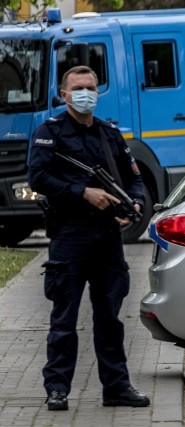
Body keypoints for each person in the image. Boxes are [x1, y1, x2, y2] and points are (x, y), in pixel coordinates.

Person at [27, 66, 150, 411]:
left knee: (110, 318)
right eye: (78, 88)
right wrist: (82, 193)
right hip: (70, 236)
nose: (86, 94)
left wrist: (134, 203)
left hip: (108, 237)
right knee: (64, 318)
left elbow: (133, 179)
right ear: (63, 95)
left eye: (92, 87)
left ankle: (116, 387)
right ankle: (57, 388)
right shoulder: (49, 132)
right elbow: (38, 177)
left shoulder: (109, 134)